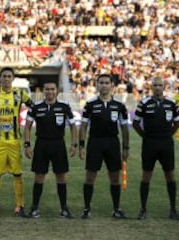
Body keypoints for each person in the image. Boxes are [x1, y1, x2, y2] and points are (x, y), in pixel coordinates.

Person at [79, 74, 129, 219]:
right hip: (95, 142)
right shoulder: (90, 104)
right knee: (90, 176)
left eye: (107, 83)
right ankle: (86, 209)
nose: (104, 85)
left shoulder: (119, 106)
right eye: (101, 83)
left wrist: (125, 148)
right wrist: (82, 146)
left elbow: (125, 128)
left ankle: (116, 209)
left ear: (111, 85)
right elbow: (83, 126)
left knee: (114, 177)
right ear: (97, 85)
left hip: (112, 143)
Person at [24, 82, 77, 218]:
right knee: (39, 176)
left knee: (61, 177)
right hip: (41, 144)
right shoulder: (36, 107)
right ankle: (34, 208)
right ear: (43, 91)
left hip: (58, 144)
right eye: (47, 89)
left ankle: (64, 209)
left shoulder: (64, 107)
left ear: (57, 91)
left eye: (52, 89)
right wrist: (27, 145)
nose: (50, 91)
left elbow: (72, 126)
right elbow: (28, 127)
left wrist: (74, 144)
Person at [0, 67, 32, 217]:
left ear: (13, 78)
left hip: (14, 141)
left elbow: (34, 107)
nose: (6, 79)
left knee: (17, 174)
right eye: (3, 76)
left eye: (8, 76)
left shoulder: (20, 94)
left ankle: (20, 206)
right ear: (0, 78)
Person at [133, 76, 179, 220]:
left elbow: (177, 123)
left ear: (164, 87)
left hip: (166, 144)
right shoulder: (144, 103)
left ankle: (173, 210)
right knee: (146, 175)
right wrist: (145, 136)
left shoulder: (171, 103)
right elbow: (135, 123)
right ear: (151, 87)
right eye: (155, 85)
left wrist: (168, 135)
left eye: (160, 85)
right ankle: (143, 210)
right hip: (150, 144)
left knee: (170, 175)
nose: (158, 87)